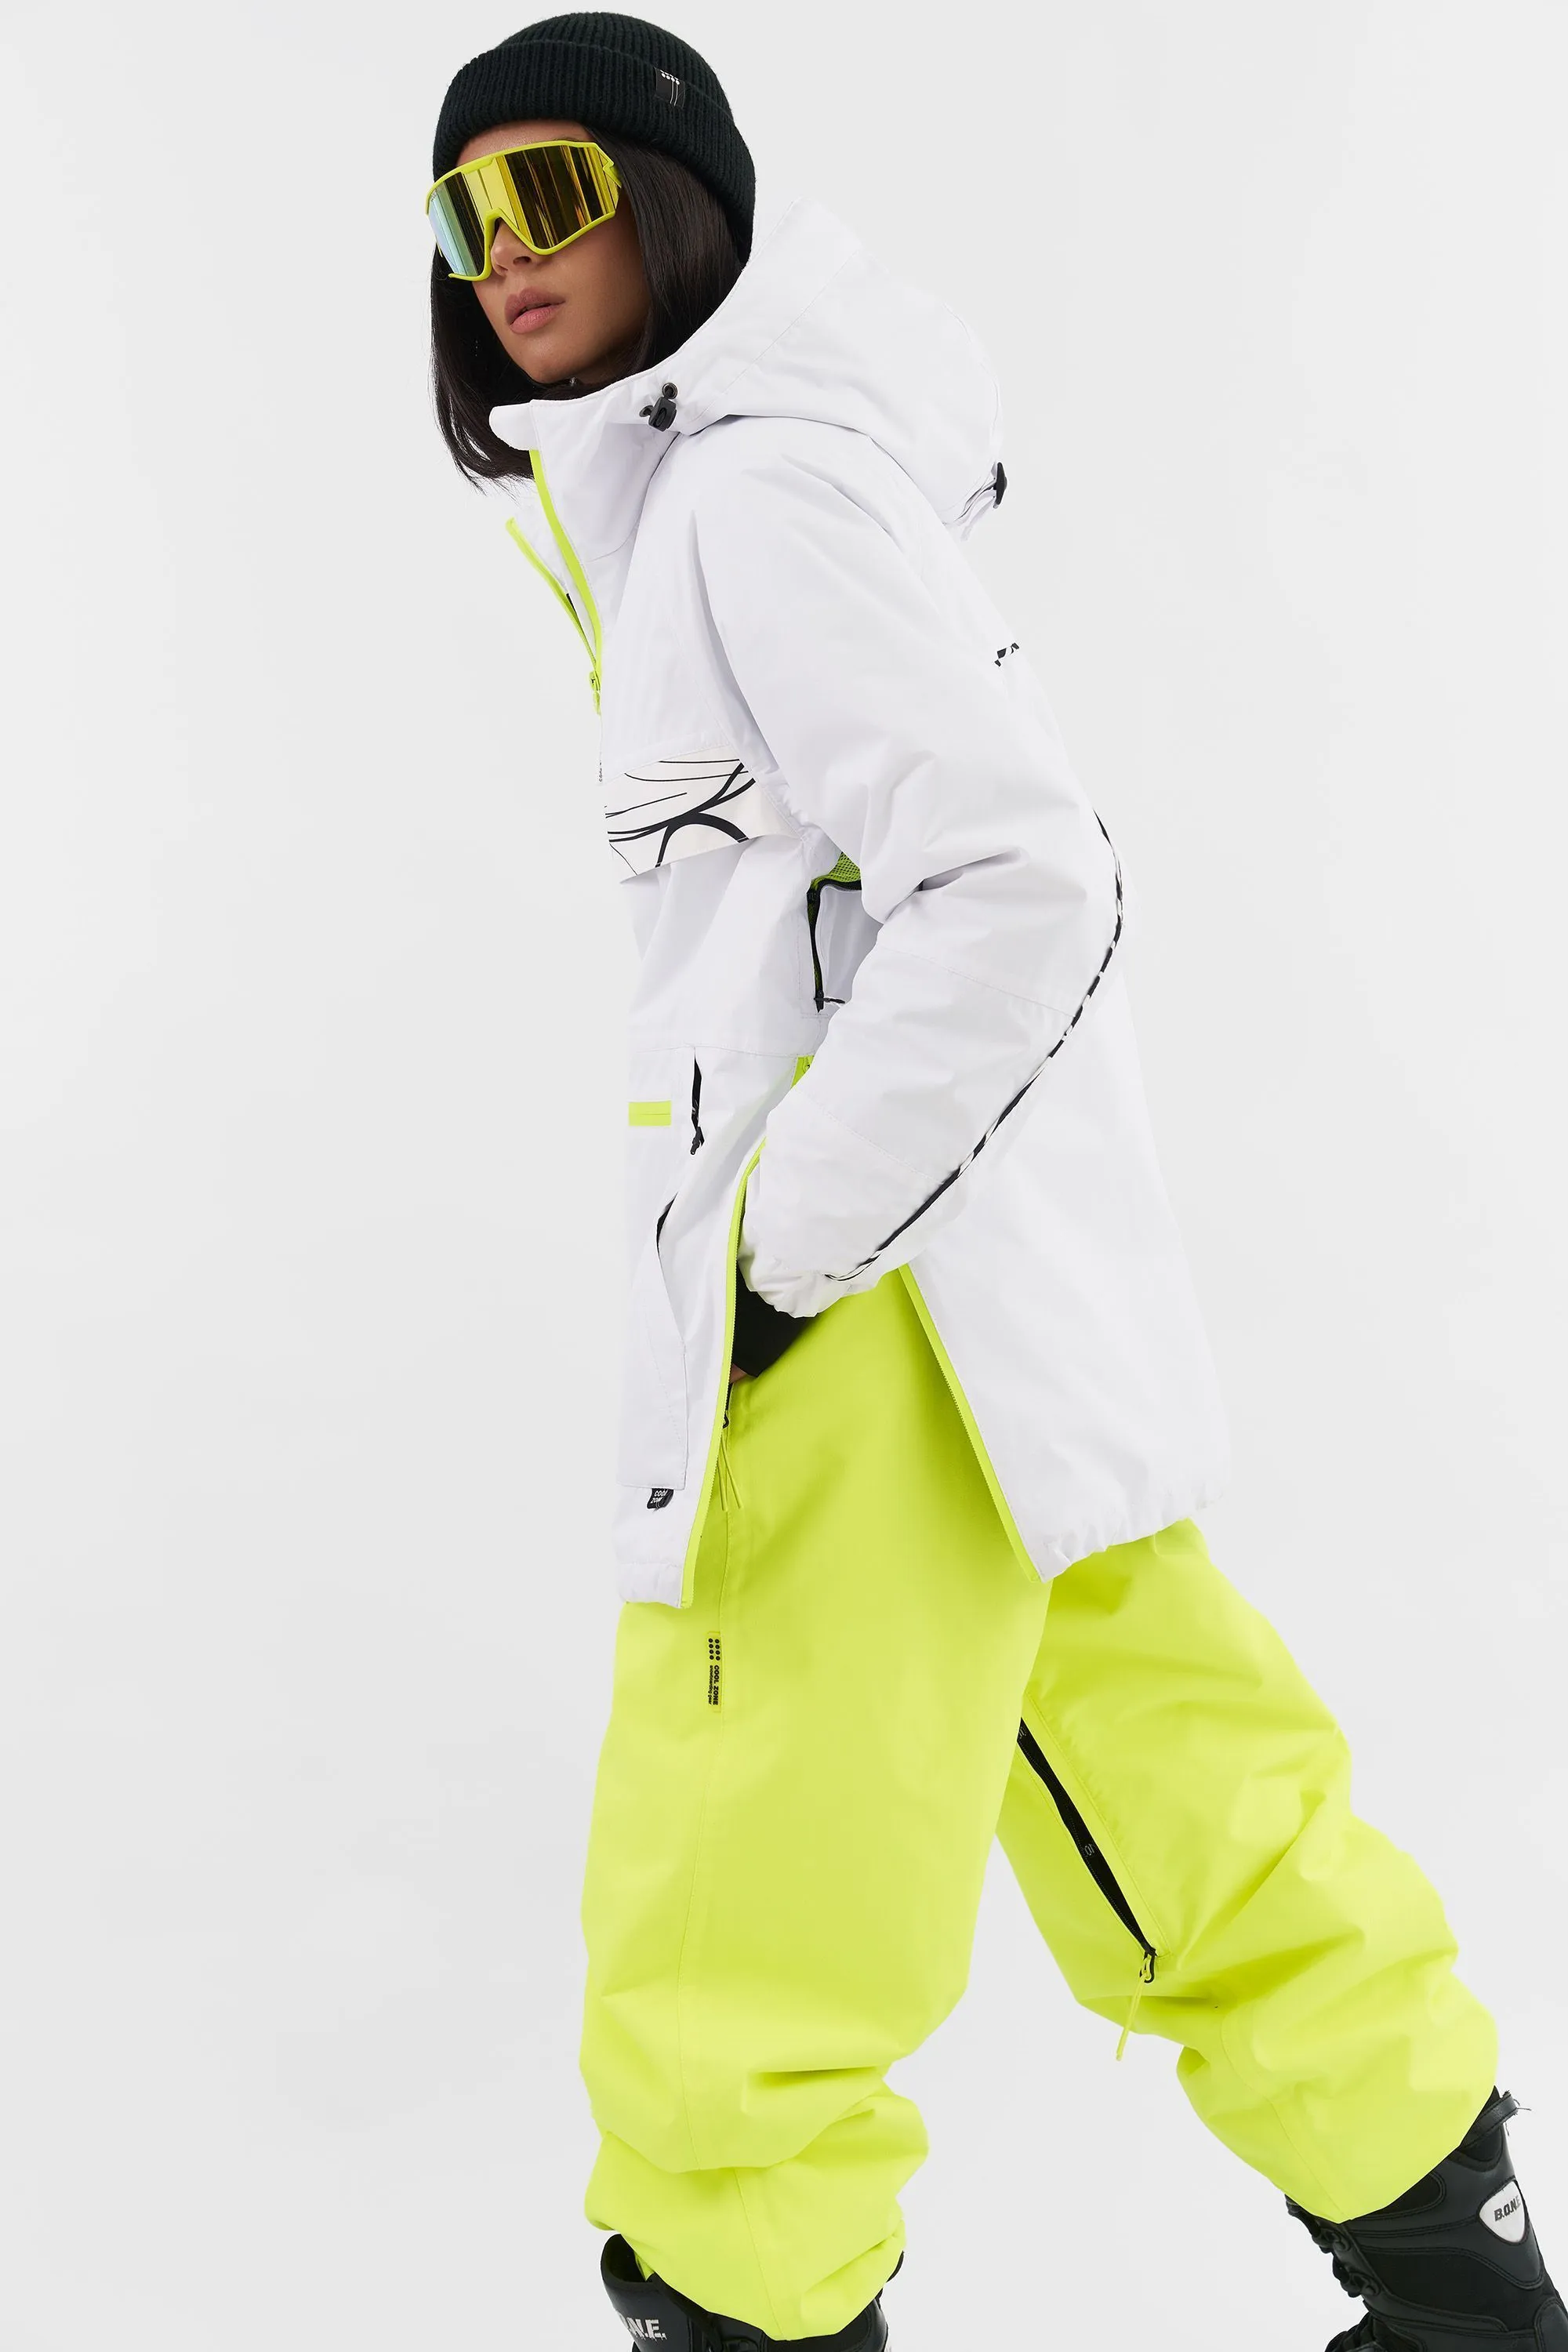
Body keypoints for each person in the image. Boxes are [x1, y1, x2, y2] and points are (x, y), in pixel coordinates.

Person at [425, 17, 1563, 2350]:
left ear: (681, 205)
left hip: (866, 1318)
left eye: (551, 193)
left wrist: (783, 1251)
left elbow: (1024, 875)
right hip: (997, 1295)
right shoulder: (766, 479)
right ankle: (1475, 2313)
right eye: (462, 218)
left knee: (733, 1908)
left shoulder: (754, 493)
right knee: (1180, 1791)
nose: (501, 257)